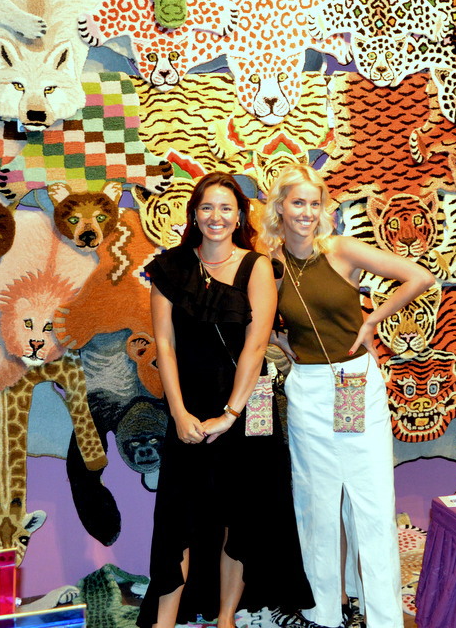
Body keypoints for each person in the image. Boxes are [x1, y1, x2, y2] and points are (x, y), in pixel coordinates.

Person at [263, 165, 437, 628]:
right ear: (280, 206)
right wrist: (280, 341)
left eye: (314, 203)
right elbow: (259, 319)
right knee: (316, 503)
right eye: (297, 202)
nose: (306, 212)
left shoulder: (340, 249)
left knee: (369, 497)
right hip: (306, 388)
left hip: (351, 383)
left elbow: (418, 277)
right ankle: (324, 611)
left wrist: (372, 319)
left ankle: (383, 617)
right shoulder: (270, 264)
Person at [137, 172, 313, 628]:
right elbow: (164, 344)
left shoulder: (258, 267)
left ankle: (226, 617)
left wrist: (230, 414)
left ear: (239, 217)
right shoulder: (169, 268)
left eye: (226, 208)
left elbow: (256, 346)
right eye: (207, 208)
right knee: (178, 517)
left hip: (250, 404)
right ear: (194, 214)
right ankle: (164, 622)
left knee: (244, 513)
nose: (216, 217)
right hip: (189, 403)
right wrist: (179, 412)